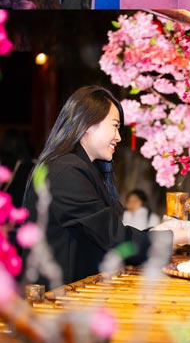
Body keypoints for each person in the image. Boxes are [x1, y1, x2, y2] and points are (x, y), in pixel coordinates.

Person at [22, 87, 177, 288]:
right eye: (115, 126)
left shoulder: (81, 167)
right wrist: (180, 236)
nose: (119, 137)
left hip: (75, 292)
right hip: (54, 301)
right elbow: (116, 239)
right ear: (88, 123)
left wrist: (163, 231)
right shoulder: (66, 170)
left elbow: (107, 235)